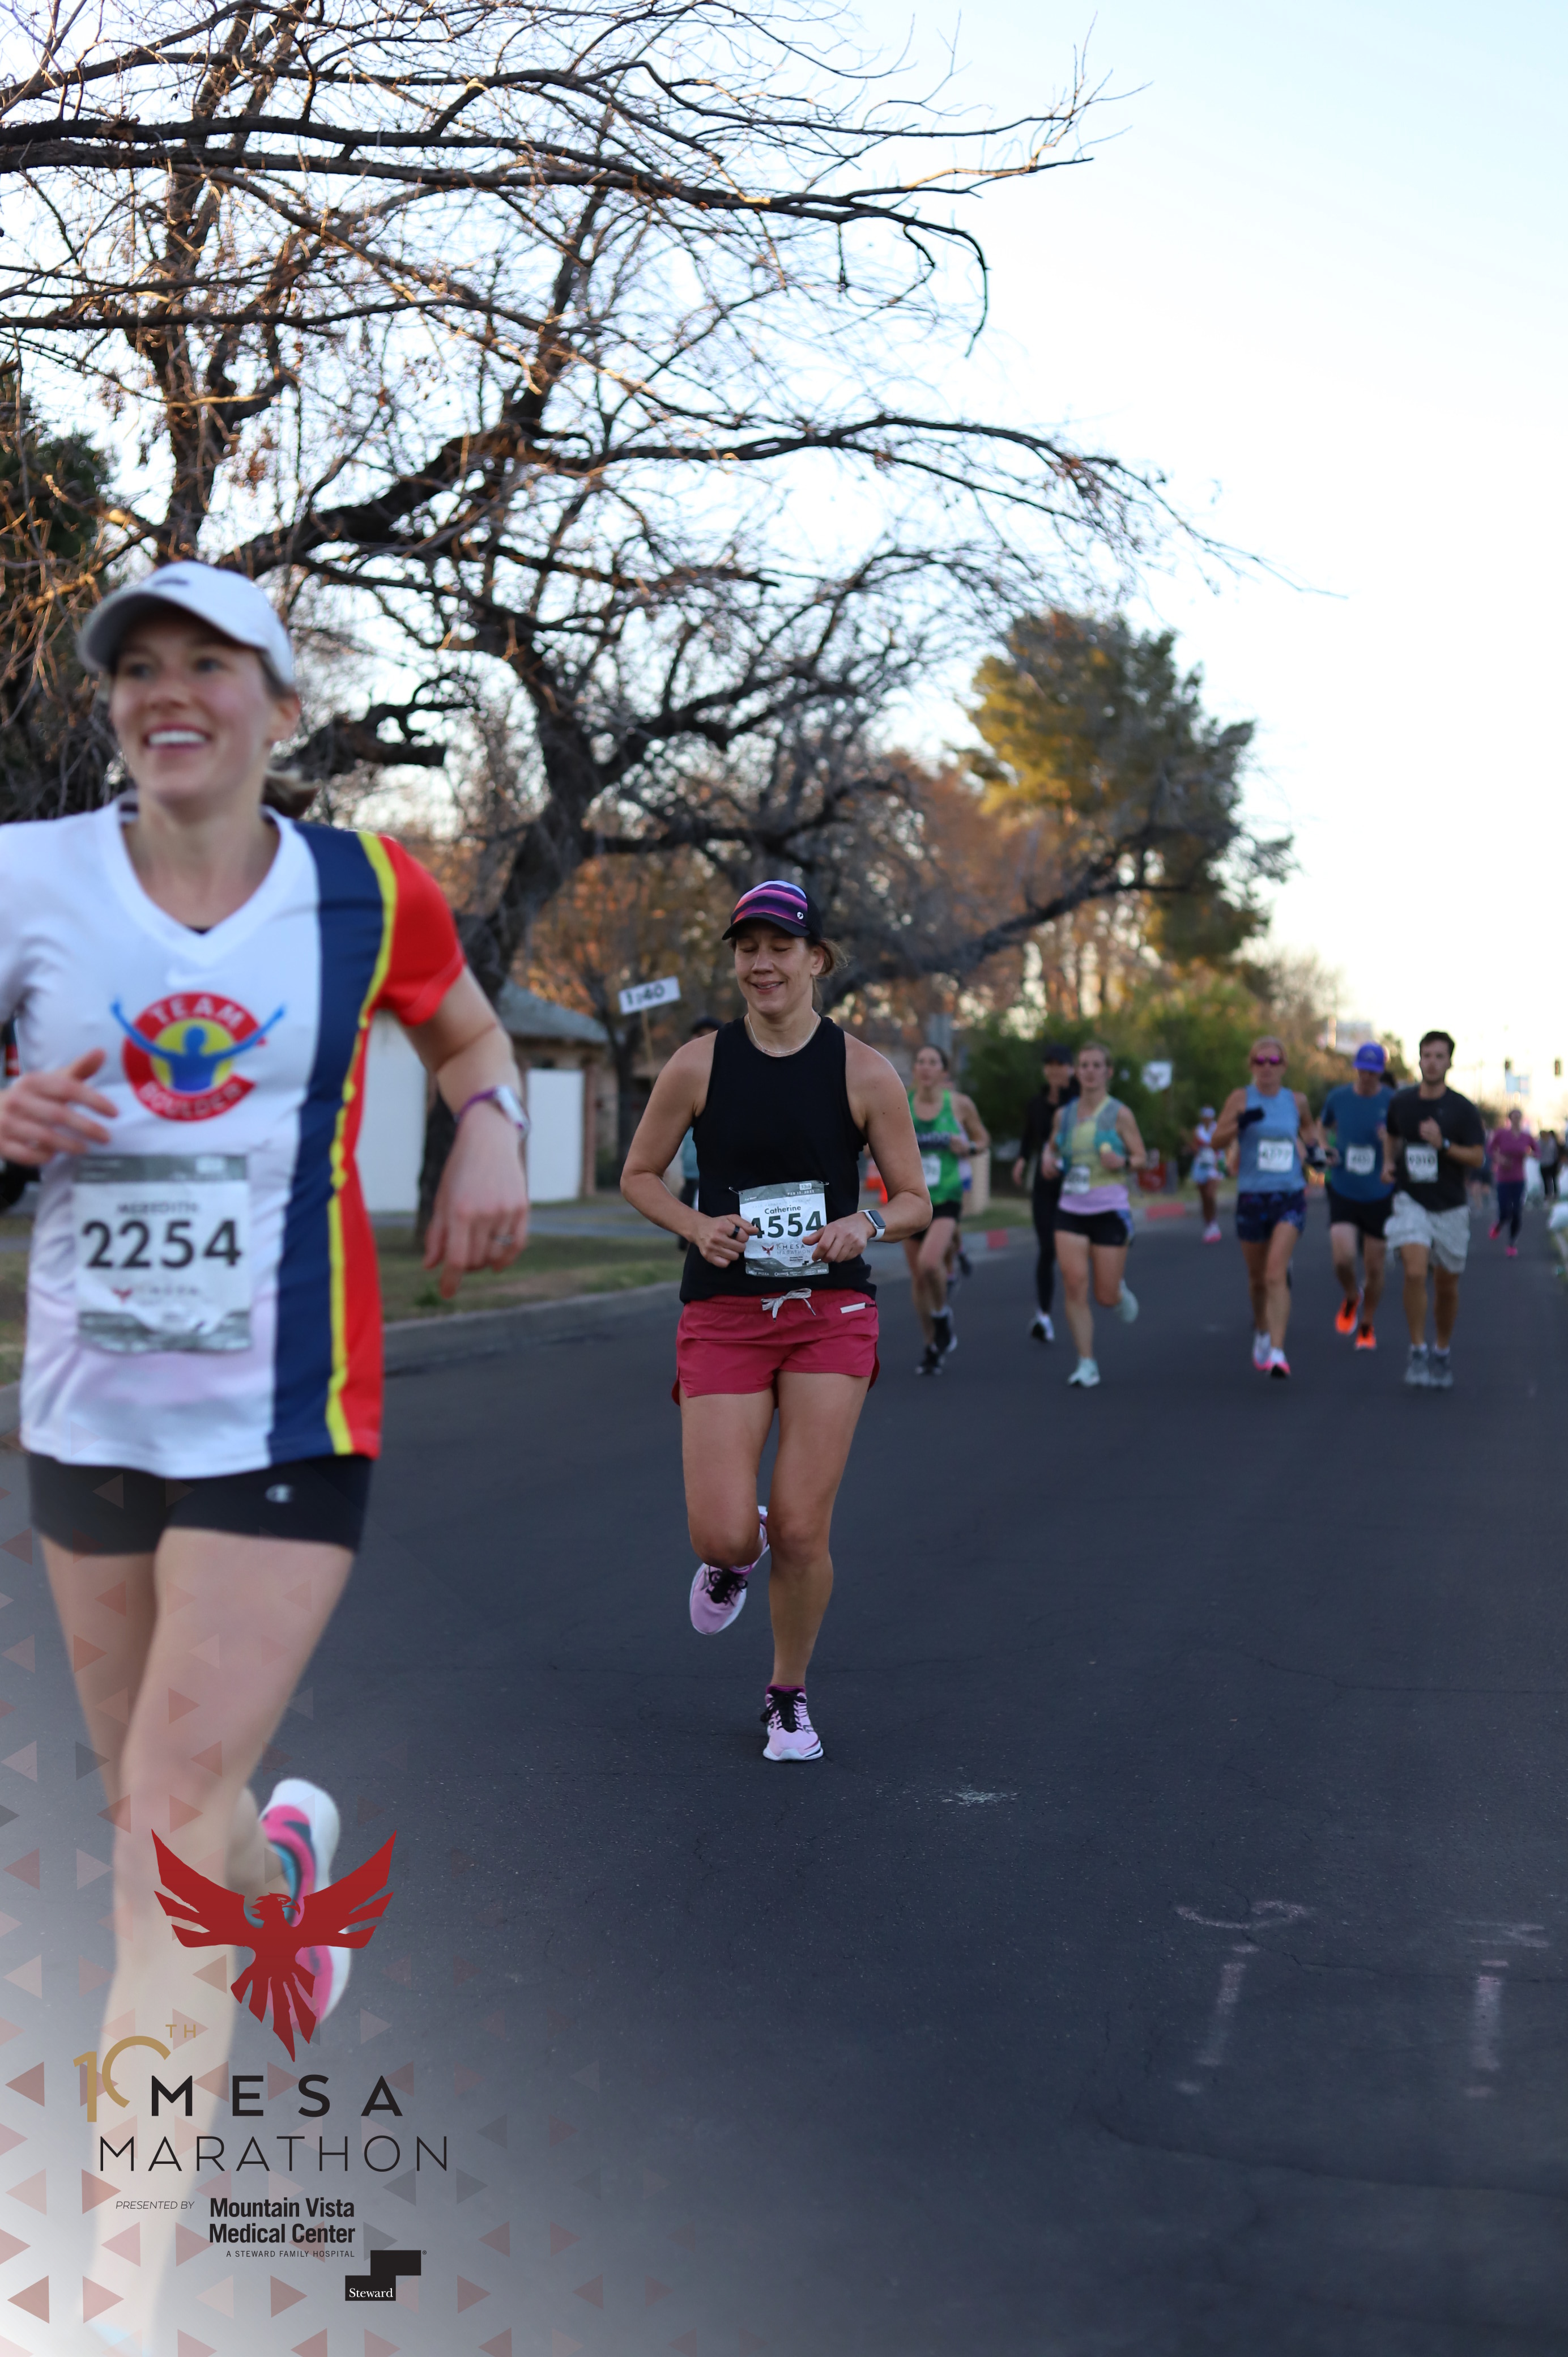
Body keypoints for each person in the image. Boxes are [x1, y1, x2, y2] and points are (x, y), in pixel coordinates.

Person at [0, 561, 529, 2331]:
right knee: (164, 1811)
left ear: (279, 707)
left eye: (209, 664)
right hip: (86, 1417)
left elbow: (466, 1032)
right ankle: (280, 1880)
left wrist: (487, 1125)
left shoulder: (368, 890)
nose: (170, 689)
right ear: (113, 706)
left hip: (287, 1418)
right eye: (139, 665)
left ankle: (123, 2288)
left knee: (157, 1840)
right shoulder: (24, 879)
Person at [619, 878, 928, 1763]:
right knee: (723, 1532)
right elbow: (639, 1175)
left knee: (801, 1527)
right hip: (725, 1309)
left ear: (816, 959)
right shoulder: (698, 1064)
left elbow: (915, 1199)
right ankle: (734, 1553)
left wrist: (865, 1223)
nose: (762, 964)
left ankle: (786, 1695)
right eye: (747, 948)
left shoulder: (865, 1071)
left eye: (780, 947)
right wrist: (695, 1225)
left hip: (830, 1312)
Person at [1212, 1037, 1322, 1380]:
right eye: (1260, 1061)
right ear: (1252, 1066)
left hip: (1288, 1194)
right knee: (1258, 1278)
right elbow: (1216, 1140)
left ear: (1284, 1066)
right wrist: (1240, 1122)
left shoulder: (1296, 1100)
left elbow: (1308, 1127)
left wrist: (1315, 1149)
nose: (1267, 1067)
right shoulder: (1240, 1098)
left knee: (1276, 1273)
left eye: (1274, 1061)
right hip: (1252, 1196)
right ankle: (1262, 1329)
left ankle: (1277, 1351)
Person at [1041, 1040, 1147, 1388]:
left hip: (1109, 1209)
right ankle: (1086, 1363)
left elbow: (1142, 1157)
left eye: (1096, 1065)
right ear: (1076, 1072)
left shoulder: (1119, 1114)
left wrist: (1123, 1162)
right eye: (1084, 1065)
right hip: (1071, 1209)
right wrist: (1047, 1161)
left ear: (1108, 1072)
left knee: (1105, 1295)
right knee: (1074, 1285)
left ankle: (1118, 1292)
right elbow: (1052, 1148)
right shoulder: (1065, 1115)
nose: (1089, 1072)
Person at [1383, 1029, 1486, 1388]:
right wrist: (1388, 1162)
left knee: (1446, 1285)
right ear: (1419, 1059)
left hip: (1450, 1206)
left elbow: (1477, 1156)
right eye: (1427, 1055)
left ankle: (1442, 1349)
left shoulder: (1462, 1109)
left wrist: (1443, 1144)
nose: (1432, 1063)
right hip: (1411, 1199)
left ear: (1449, 1063)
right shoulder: (1402, 1103)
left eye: (1439, 1056)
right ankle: (1417, 1350)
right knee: (1414, 1273)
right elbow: (1392, 1134)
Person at [904, 1041, 990, 1375]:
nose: (926, 1067)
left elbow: (983, 1140)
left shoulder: (959, 1104)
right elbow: (871, 1144)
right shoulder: (901, 1102)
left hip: (947, 1197)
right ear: (915, 1069)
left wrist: (968, 1146)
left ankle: (941, 1315)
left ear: (944, 1071)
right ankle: (931, 1346)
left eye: (933, 1062)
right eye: (921, 1061)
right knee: (918, 1280)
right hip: (911, 1197)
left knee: (929, 1263)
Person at [1319, 1041, 1395, 1350]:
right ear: (1356, 1069)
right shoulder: (1338, 1097)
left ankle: (1367, 1324)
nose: (1367, 1077)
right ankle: (1352, 1295)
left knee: (1375, 1268)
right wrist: (1325, 1148)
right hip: (1344, 1187)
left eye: (1373, 1072)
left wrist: (1390, 1141)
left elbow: (1403, 1143)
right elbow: (1321, 1128)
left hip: (1379, 1192)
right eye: (1363, 1071)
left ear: (1381, 1072)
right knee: (1343, 1259)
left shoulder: (1391, 1101)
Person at [1012, 1042, 1079, 1338]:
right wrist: (1022, 1160)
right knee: (1047, 1249)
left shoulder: (1080, 1102)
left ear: (1071, 1069)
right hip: (1045, 1183)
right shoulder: (1036, 1103)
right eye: (1050, 1065)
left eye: (1060, 1064)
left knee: (1072, 1251)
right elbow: (1029, 1137)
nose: (1055, 1070)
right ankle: (1043, 1316)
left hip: (1076, 1184)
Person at [673, 1015, 722, 1240]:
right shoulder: (682, 1074)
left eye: (709, 1036)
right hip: (692, 1173)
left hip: (716, 1177)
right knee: (688, 1236)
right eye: (699, 1036)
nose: (703, 1041)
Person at [1486, 1104, 1539, 1256]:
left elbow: (1538, 1152)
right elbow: (1490, 1149)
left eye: (1519, 1117)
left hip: (1519, 1178)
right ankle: (1498, 1225)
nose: (1516, 1120)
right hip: (1503, 1178)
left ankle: (1512, 1243)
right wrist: (1499, 1158)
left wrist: (1529, 1154)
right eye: (1514, 1117)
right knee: (1504, 1211)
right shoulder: (1501, 1134)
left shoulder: (1526, 1137)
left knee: (1516, 1211)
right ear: (1509, 1119)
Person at [1187, 1105, 1223, 1241]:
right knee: (1203, 1197)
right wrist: (1194, 1147)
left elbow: (1221, 1145)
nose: (1207, 1119)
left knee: (1210, 1194)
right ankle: (1208, 1224)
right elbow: (1195, 1147)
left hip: (1214, 1165)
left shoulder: (1218, 1129)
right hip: (1201, 1165)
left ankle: (1214, 1223)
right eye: (1205, 1117)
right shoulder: (1198, 1130)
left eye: (1209, 1117)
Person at [1539, 1128, 1561, 1201]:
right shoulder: (1540, 1142)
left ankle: (1555, 1194)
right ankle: (1547, 1195)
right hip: (1544, 1164)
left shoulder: (1552, 1142)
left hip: (1551, 1164)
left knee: (1554, 1180)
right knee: (1545, 1181)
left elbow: (1555, 1153)